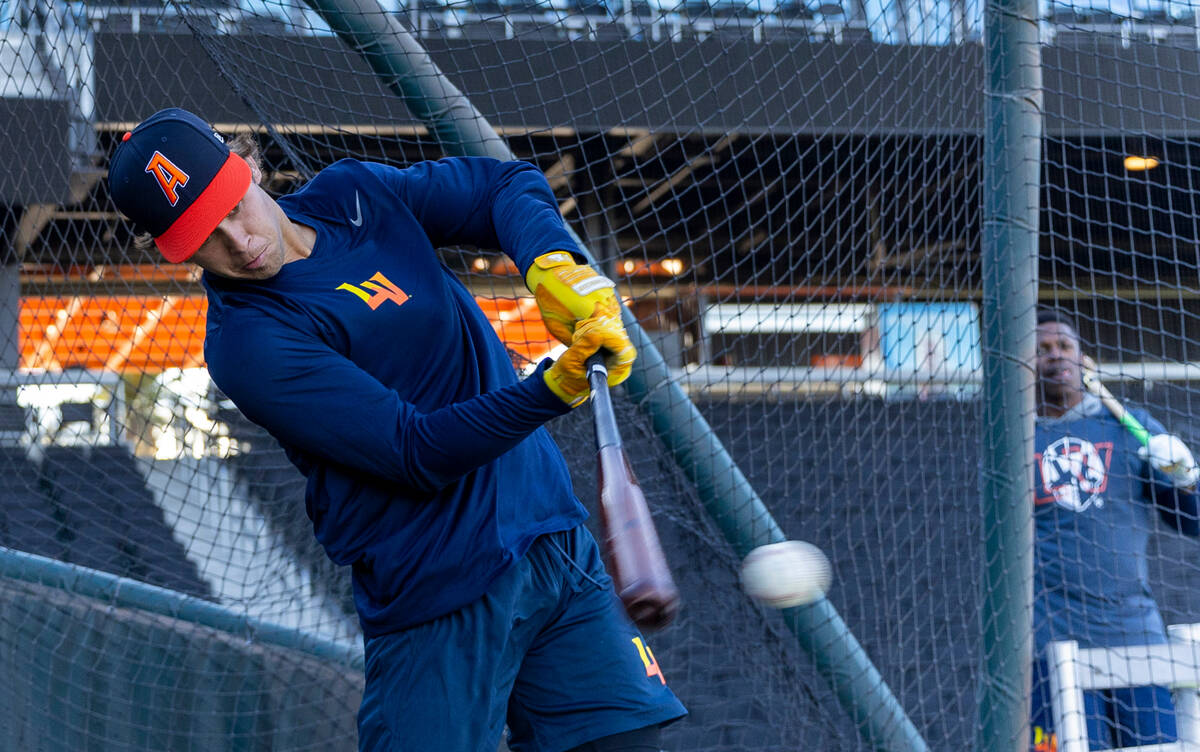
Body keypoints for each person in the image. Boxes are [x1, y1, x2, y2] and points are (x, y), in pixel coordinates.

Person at [107, 108, 686, 752]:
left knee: (624, 744)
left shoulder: (354, 195)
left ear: (246, 164)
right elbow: (416, 450)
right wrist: (551, 390)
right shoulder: (248, 341)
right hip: (438, 591)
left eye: (232, 206)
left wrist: (554, 263)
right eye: (204, 237)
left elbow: (503, 186)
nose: (239, 243)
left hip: (548, 534)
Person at [1031, 308, 1199, 752]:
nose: (1055, 355)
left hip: (1136, 638)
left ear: (1084, 359)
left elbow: (1193, 521)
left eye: (1064, 345)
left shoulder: (1132, 427)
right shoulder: (1011, 437)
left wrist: (1187, 481)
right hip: (1049, 647)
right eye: (1042, 349)